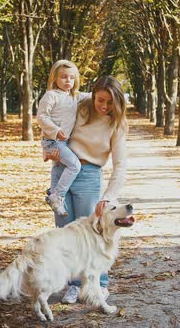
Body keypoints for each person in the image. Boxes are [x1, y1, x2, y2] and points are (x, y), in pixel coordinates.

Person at [45, 75, 128, 304]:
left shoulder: (116, 124)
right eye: (100, 100)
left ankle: (100, 285)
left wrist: (109, 197)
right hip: (62, 171)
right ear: (93, 95)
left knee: (93, 235)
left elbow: (120, 165)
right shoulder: (80, 107)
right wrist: (51, 150)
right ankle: (74, 285)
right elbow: (54, 123)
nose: (104, 106)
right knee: (67, 234)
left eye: (110, 102)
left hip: (89, 176)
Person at [36, 60, 91, 216]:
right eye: (63, 77)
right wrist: (55, 130)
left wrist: (111, 91)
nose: (68, 81)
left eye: (71, 78)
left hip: (63, 141)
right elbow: (41, 117)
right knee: (74, 165)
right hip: (52, 140)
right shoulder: (51, 95)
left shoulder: (74, 96)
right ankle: (57, 196)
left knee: (57, 167)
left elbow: (93, 96)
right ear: (54, 78)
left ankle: (54, 191)